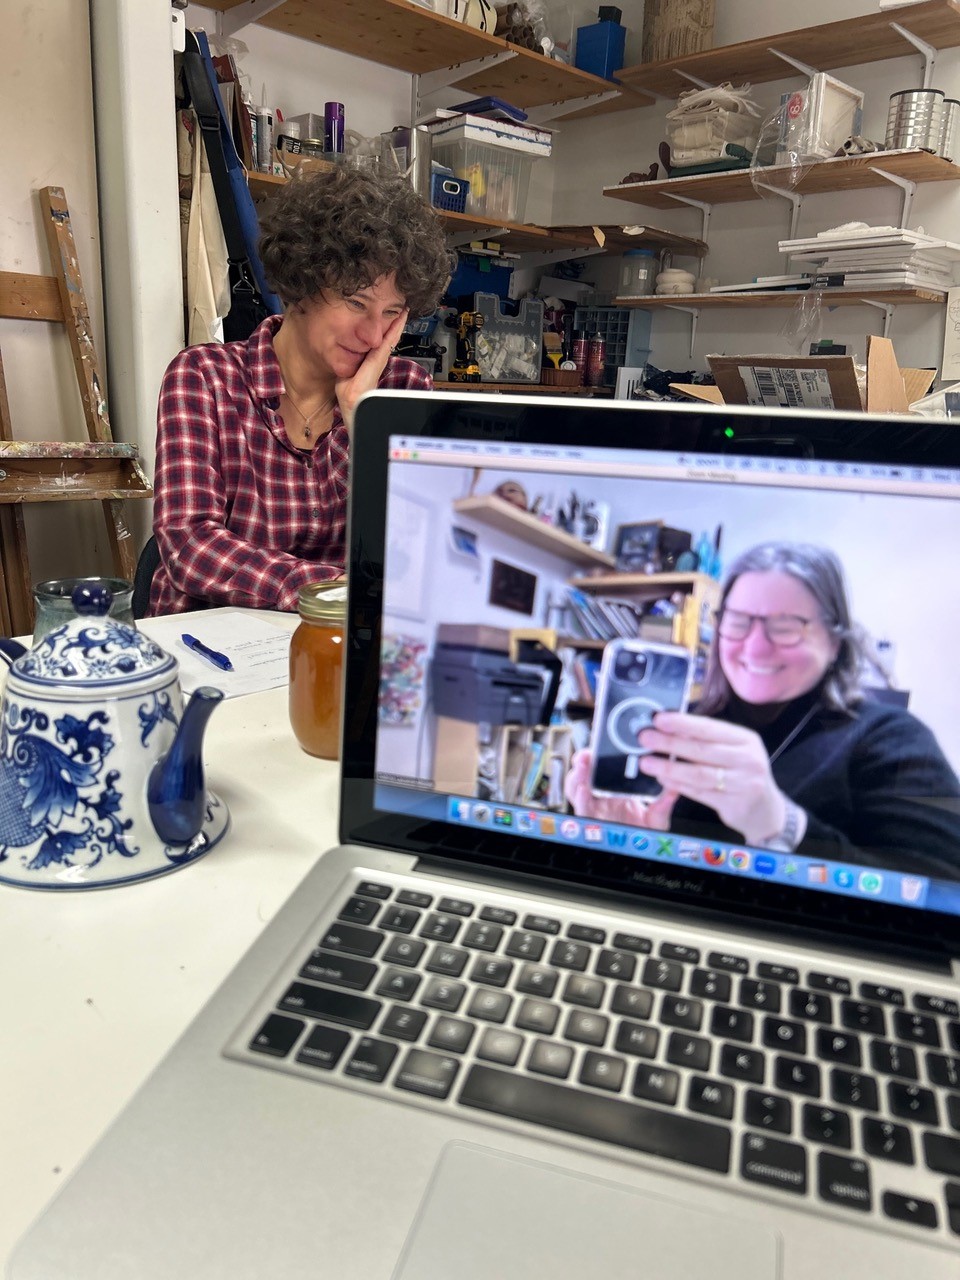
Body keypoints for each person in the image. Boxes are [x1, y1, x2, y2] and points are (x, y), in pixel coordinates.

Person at [148, 166, 453, 615]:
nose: (373, 335)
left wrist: (366, 421)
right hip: (210, 638)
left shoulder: (402, 389)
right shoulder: (205, 377)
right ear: (302, 284)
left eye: (392, 312)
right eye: (356, 302)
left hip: (340, 634)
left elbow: (424, 550)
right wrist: (332, 591)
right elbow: (189, 544)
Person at [566, 542, 960, 877]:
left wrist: (782, 826)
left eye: (786, 627)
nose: (754, 648)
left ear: (835, 642)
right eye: (737, 622)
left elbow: (940, 892)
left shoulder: (893, 739)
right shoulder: (675, 728)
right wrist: (624, 845)